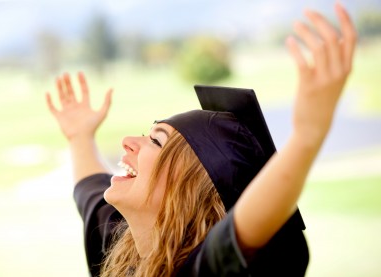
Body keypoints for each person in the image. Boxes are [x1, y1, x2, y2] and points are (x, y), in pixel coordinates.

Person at [46, 3, 356, 277]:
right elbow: (90, 191)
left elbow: (243, 228)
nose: (128, 142)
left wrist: (306, 137)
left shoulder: (197, 270)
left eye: (156, 142)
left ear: (192, 191)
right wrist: (79, 137)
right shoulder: (121, 245)